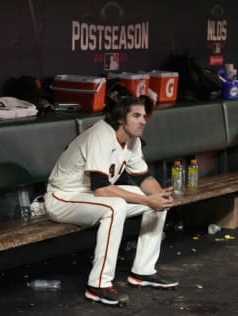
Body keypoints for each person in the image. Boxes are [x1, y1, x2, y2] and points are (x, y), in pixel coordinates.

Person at [44, 96, 178, 307]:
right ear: (120, 118)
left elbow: (143, 178)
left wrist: (158, 196)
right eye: (136, 115)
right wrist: (147, 200)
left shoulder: (132, 139)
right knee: (116, 206)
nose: (143, 121)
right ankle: (98, 285)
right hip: (63, 197)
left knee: (157, 202)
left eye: (144, 116)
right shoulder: (101, 134)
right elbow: (102, 189)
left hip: (89, 196)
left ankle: (143, 272)